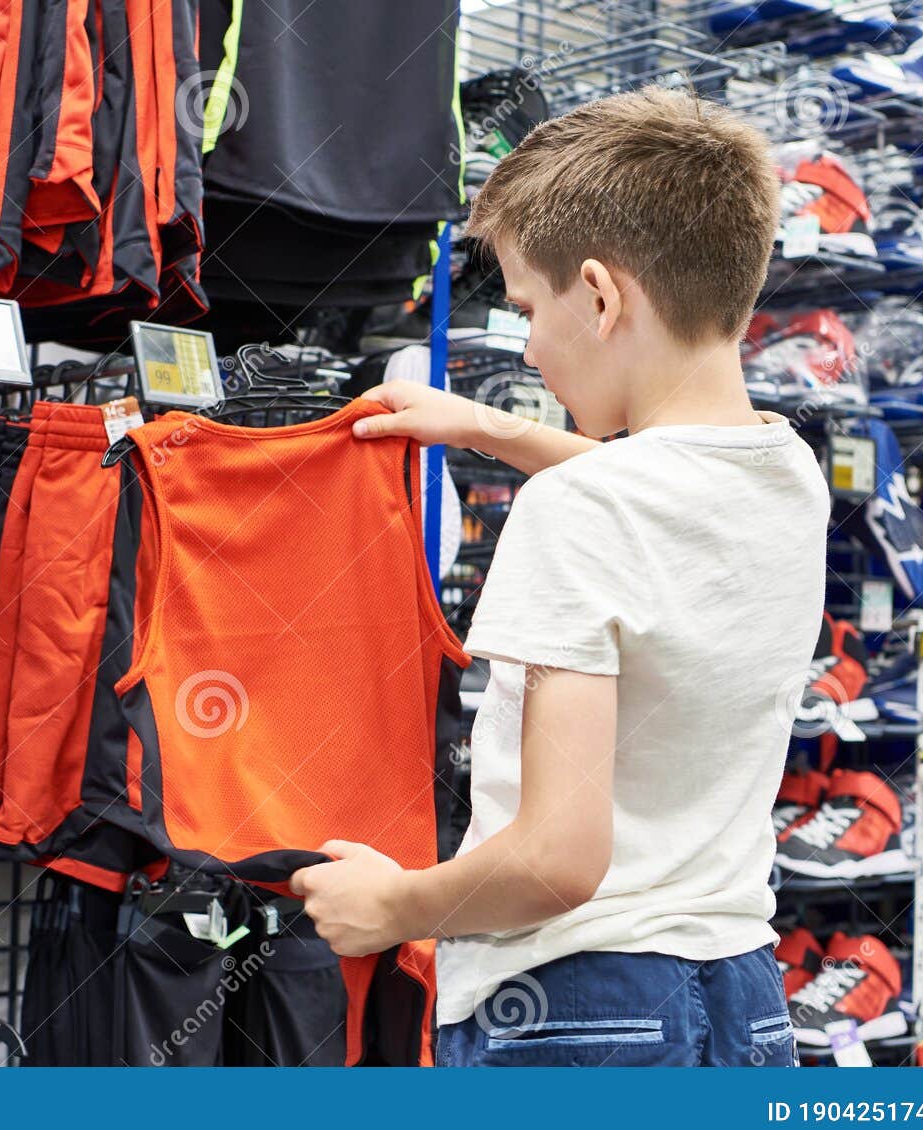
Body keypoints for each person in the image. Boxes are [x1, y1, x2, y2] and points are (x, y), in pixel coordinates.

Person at [289, 88, 829, 1067]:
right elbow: (663, 500)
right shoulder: (787, 471)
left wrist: (391, 904)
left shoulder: (577, 515)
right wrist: (492, 429)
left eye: (530, 308)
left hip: (576, 1007)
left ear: (600, 295)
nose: (530, 344)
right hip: (745, 997)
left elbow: (555, 860)